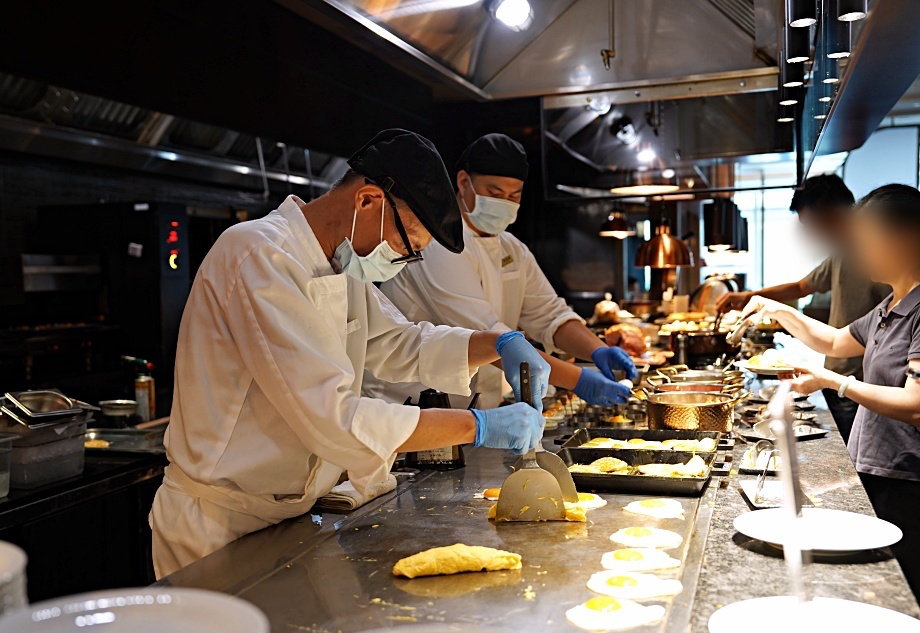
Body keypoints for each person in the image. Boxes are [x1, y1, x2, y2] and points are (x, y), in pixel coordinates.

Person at [149, 129, 552, 577]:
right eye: (406, 247)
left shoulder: (337, 266)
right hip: (217, 523)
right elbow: (332, 417)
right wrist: (476, 426)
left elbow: (401, 343)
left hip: (289, 513)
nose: (401, 261)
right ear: (367, 201)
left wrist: (497, 346)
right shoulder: (260, 255)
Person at [364, 133, 636, 410]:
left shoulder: (512, 248)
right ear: (462, 182)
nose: (504, 203)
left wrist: (597, 349)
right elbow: (488, 338)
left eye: (513, 196)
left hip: (474, 408)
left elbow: (549, 314)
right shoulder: (436, 244)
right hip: (408, 406)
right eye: (494, 194)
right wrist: (579, 380)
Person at [742, 184, 920, 595]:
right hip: (877, 466)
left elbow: (915, 405)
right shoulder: (892, 304)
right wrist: (781, 310)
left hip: (907, 477)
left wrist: (836, 381)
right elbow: (837, 341)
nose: (861, 252)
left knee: (902, 589)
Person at [717, 174, 889, 441]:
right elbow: (804, 292)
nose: (810, 235)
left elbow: (888, 338)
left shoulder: (878, 262)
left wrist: (838, 382)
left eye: (811, 225)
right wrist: (756, 299)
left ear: (832, 214)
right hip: (841, 377)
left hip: (864, 386)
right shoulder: (843, 252)